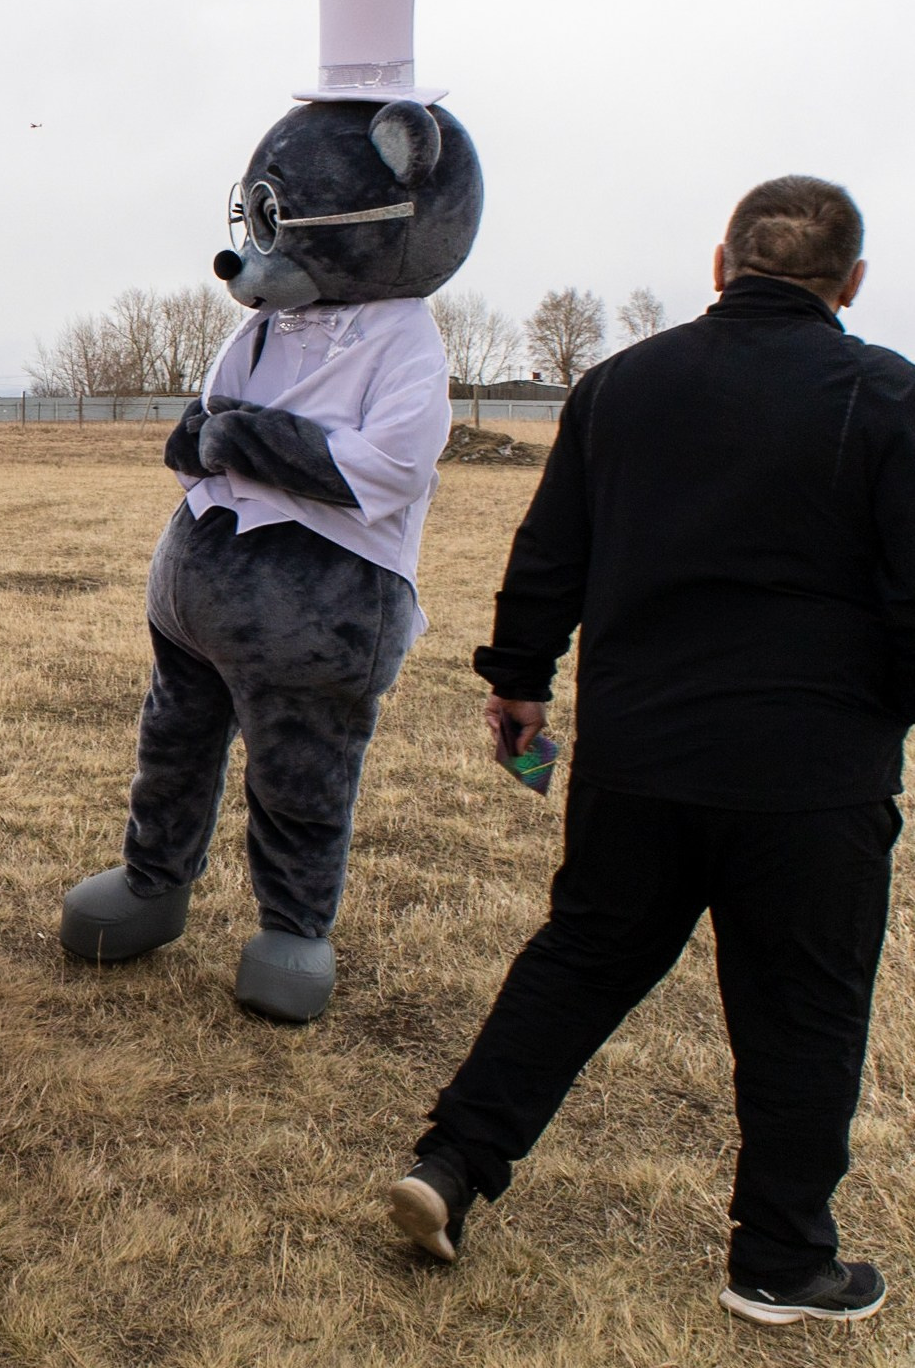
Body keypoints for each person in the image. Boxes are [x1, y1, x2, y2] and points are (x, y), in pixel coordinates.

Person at [388, 176, 915, 1327]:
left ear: (721, 262)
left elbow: (550, 547)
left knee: (579, 961)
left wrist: (519, 677)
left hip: (639, 756)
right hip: (812, 780)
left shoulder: (619, 386)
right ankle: (781, 1258)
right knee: (804, 1008)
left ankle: (452, 1161)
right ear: (853, 284)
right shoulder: (888, 396)